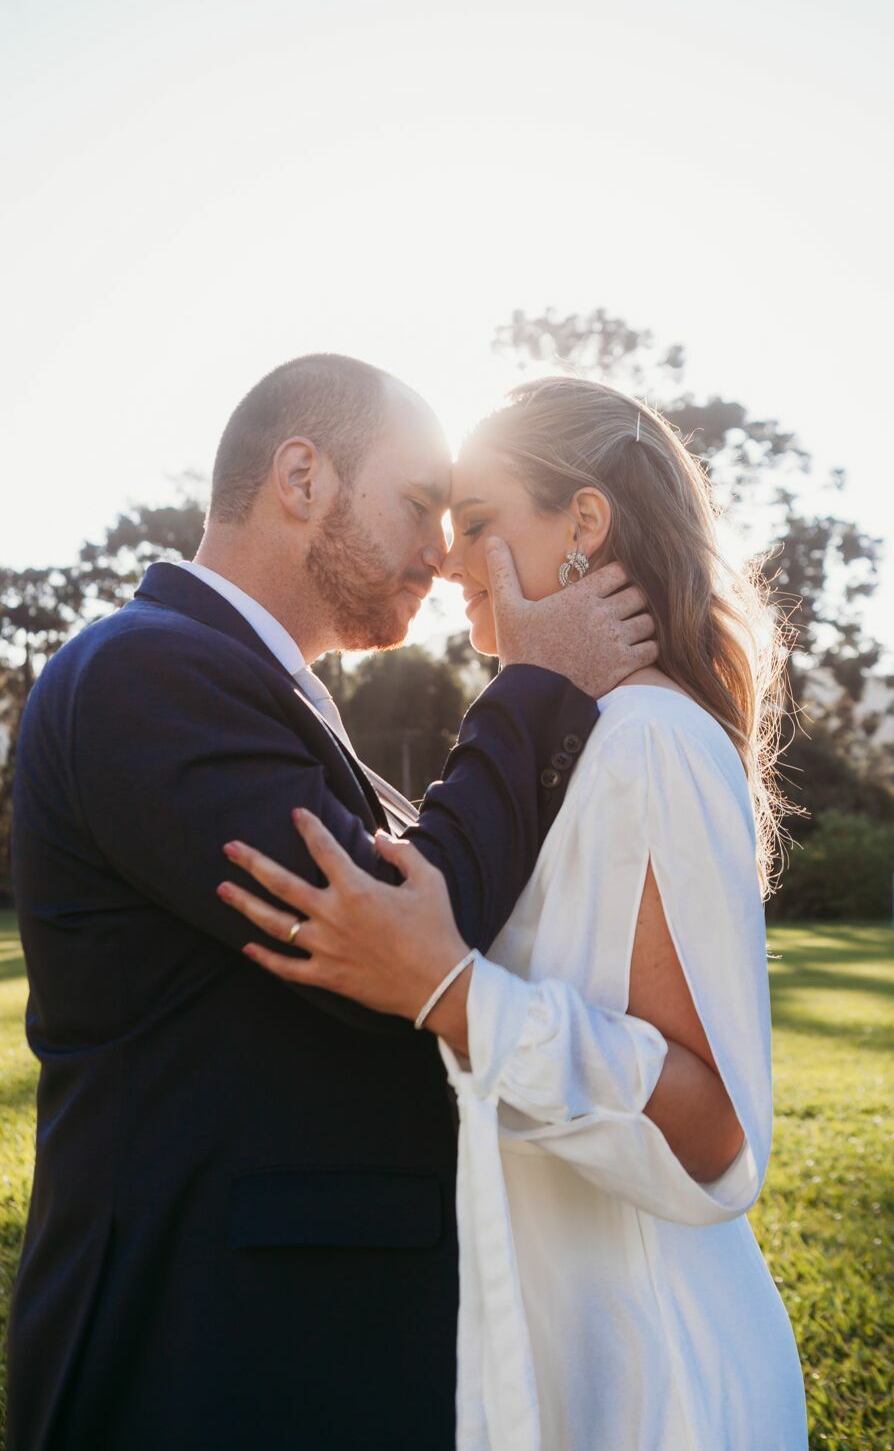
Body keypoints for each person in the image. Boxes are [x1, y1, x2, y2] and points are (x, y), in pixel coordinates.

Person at [7, 356, 658, 1451]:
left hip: (294, 1345)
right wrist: (539, 684)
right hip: (199, 1357)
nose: (443, 551)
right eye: (418, 504)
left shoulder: (265, 695)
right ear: (300, 476)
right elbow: (395, 937)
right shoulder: (144, 673)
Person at [224, 375, 810, 1450]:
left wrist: (453, 994)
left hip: (646, 1379)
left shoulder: (644, 736)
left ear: (583, 525)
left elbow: (711, 1124)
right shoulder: (583, 735)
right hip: (552, 1346)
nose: (446, 559)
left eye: (480, 524)